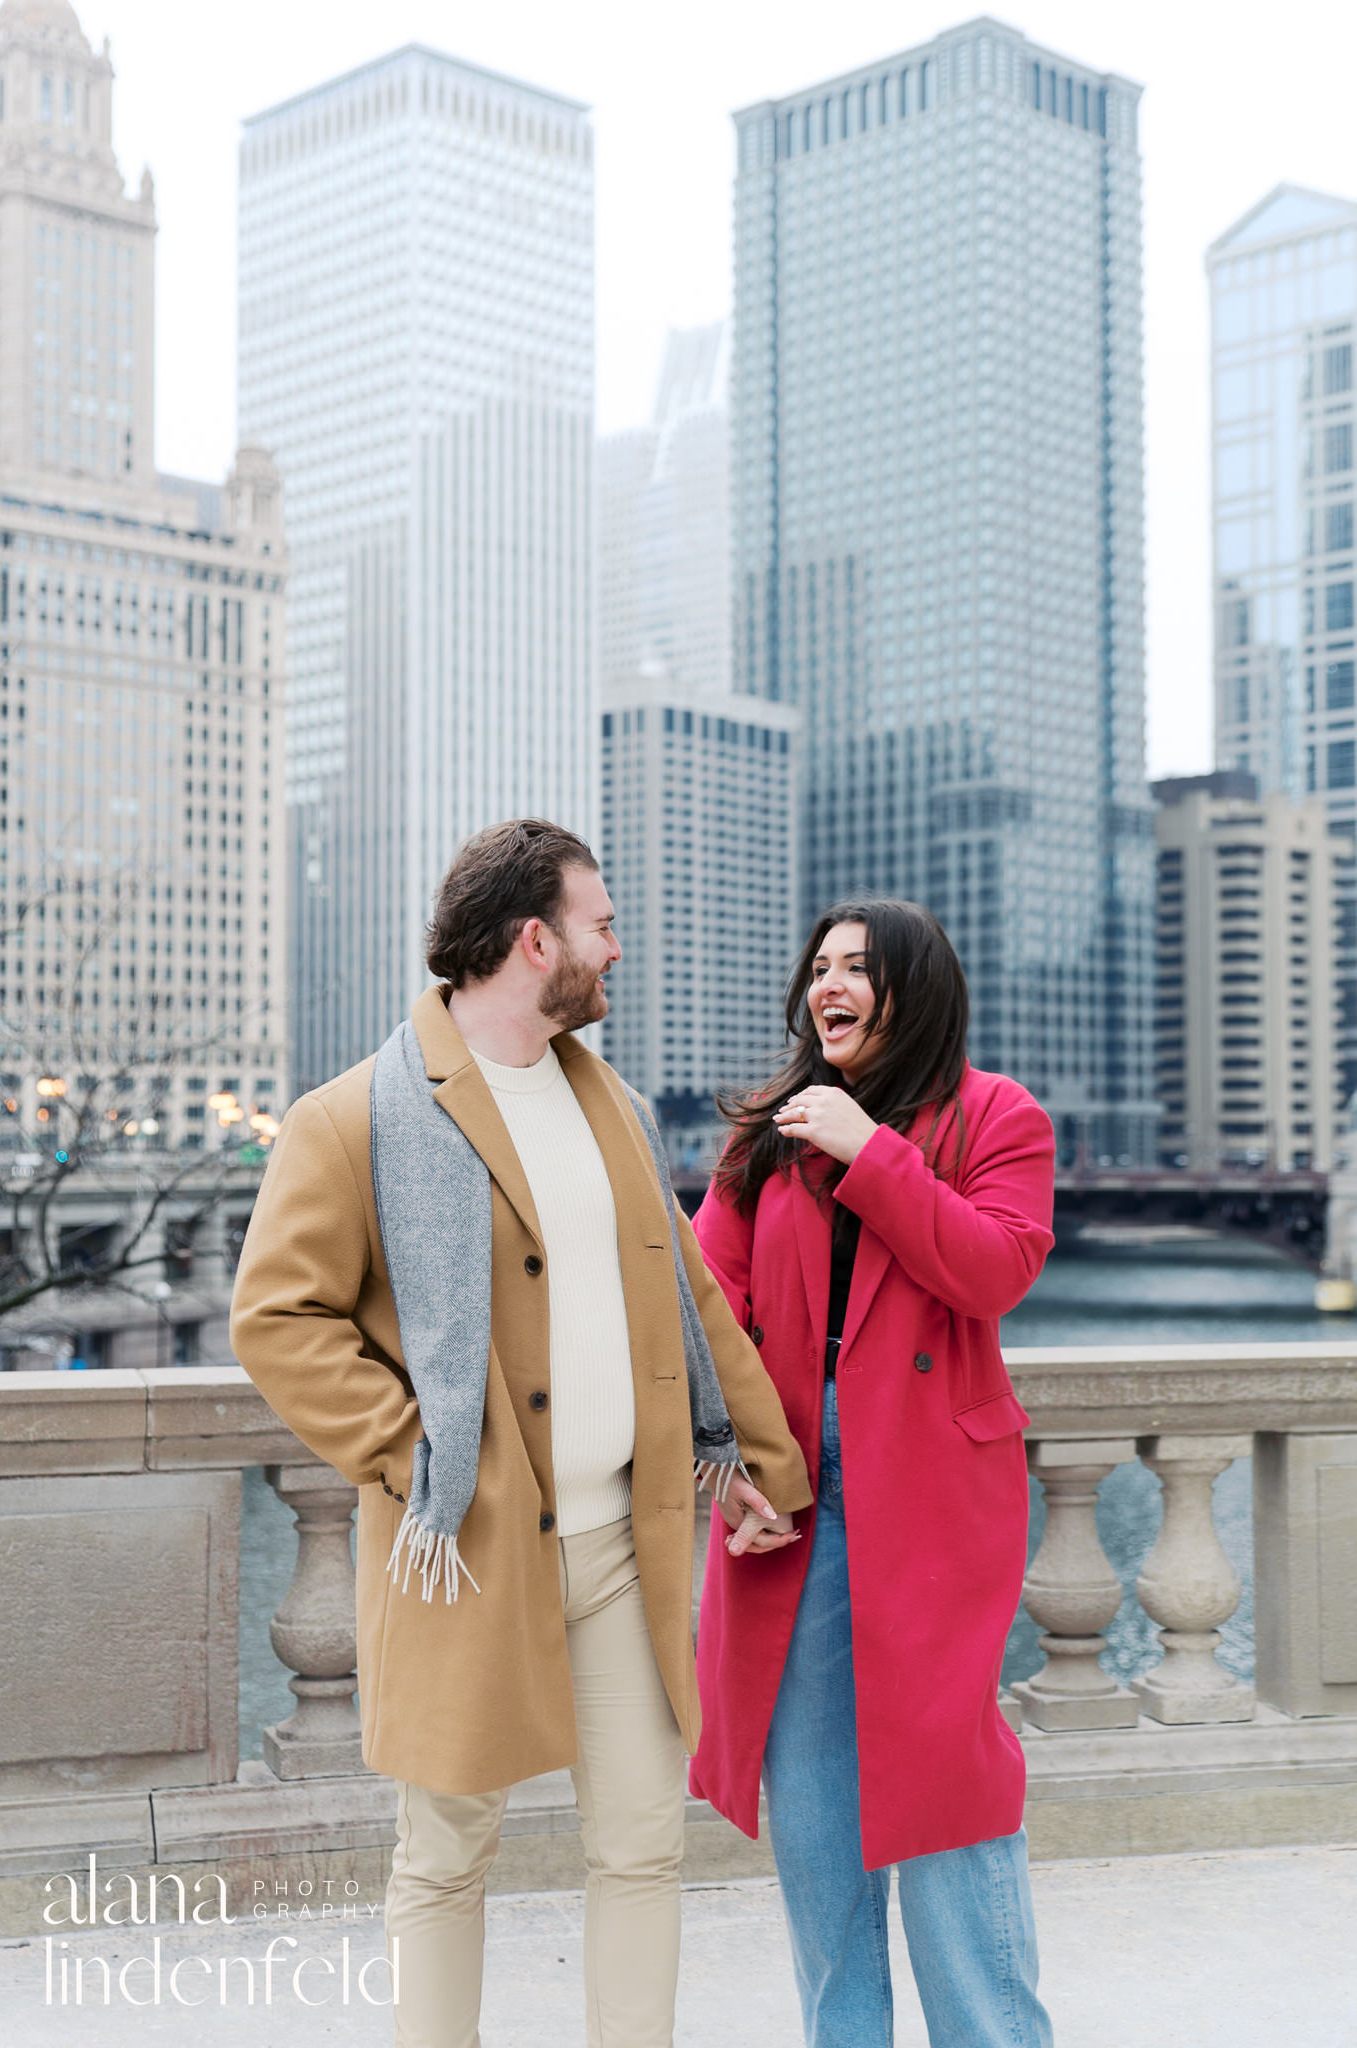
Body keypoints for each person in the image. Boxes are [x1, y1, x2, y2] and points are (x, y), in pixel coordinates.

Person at [230, 818, 811, 2048]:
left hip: (624, 1545)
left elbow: (686, 1296)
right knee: (445, 1849)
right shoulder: (352, 1119)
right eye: (601, 926)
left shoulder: (611, 1104)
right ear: (533, 938)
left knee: (642, 1843)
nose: (618, 947)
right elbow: (278, 1316)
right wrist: (413, 1451)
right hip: (471, 1550)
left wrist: (758, 1462)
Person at [689, 896, 1057, 2048]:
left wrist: (867, 1147)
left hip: (934, 1500)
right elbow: (709, 1316)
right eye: (818, 966)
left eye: (855, 965)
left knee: (948, 1791)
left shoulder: (999, 1115)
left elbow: (992, 1269)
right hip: (794, 1500)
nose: (826, 984)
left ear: (914, 985)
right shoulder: (765, 1135)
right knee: (811, 1804)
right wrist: (728, 1470)